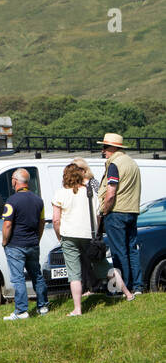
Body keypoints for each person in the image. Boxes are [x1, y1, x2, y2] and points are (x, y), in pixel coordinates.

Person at [52, 161, 129, 315]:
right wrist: (97, 233)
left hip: (69, 236)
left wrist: (60, 236)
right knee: (105, 267)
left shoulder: (60, 193)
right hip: (89, 235)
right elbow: (98, 215)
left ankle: (78, 309)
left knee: (74, 274)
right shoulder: (90, 193)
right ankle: (128, 293)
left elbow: (56, 220)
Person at [99, 133, 143, 297]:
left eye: (104, 147)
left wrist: (105, 210)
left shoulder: (114, 164)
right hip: (132, 211)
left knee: (119, 252)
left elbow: (111, 192)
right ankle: (137, 286)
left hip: (116, 211)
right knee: (132, 249)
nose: (103, 151)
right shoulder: (132, 163)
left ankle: (123, 287)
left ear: (112, 148)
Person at [1, 168, 49, 320]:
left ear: (15, 181)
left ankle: (21, 311)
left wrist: (4, 241)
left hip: (16, 245)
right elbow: (41, 223)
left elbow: (7, 225)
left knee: (18, 278)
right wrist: (37, 239)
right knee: (37, 275)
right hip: (33, 243)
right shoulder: (38, 200)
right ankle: (43, 306)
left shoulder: (11, 201)